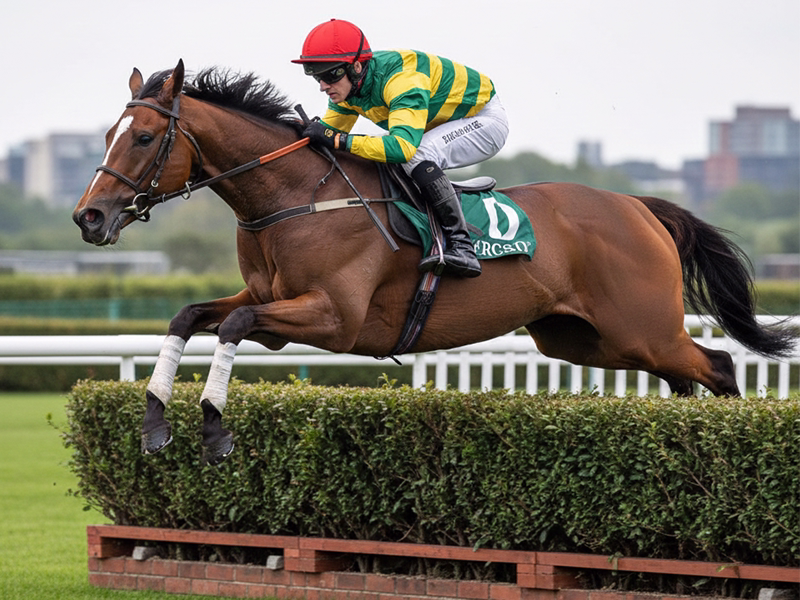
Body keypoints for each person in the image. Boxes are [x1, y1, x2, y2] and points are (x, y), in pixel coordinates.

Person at [292, 18, 509, 278]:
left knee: (417, 153)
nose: (323, 86)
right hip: (439, 124)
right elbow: (327, 137)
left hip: (482, 120)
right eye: (316, 76)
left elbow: (401, 148)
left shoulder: (402, 81)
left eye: (330, 75)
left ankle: (463, 247)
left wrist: (339, 140)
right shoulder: (349, 90)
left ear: (357, 67)